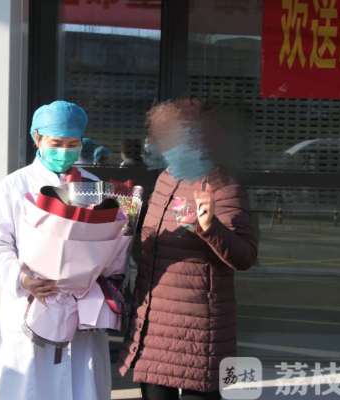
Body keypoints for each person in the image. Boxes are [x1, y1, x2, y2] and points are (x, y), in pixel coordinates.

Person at [118, 98, 258, 400]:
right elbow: (151, 248)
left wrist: (208, 227)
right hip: (154, 329)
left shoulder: (223, 186)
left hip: (198, 332)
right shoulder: (165, 180)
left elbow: (244, 256)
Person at [0, 100, 111, 400]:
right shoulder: (15, 185)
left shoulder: (94, 186)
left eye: (72, 144)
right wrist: (22, 278)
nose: (64, 151)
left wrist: (100, 273)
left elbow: (110, 242)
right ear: (37, 138)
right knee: (29, 387)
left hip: (81, 308)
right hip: (33, 304)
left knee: (81, 384)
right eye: (56, 143)